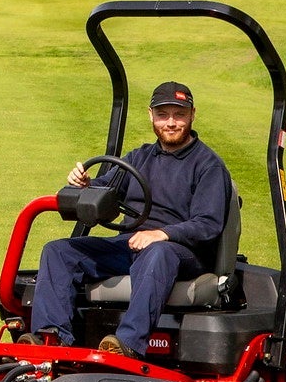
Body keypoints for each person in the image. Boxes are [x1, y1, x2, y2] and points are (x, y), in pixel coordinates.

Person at [24, 82, 232, 356]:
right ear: (151, 116)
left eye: (179, 115)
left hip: (182, 252)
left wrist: (162, 233)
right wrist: (84, 184)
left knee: (158, 253)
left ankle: (128, 345)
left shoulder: (208, 165)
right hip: (132, 244)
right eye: (163, 114)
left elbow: (208, 223)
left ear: (192, 114)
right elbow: (107, 191)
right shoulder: (139, 158)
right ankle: (52, 338)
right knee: (59, 251)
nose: (170, 123)